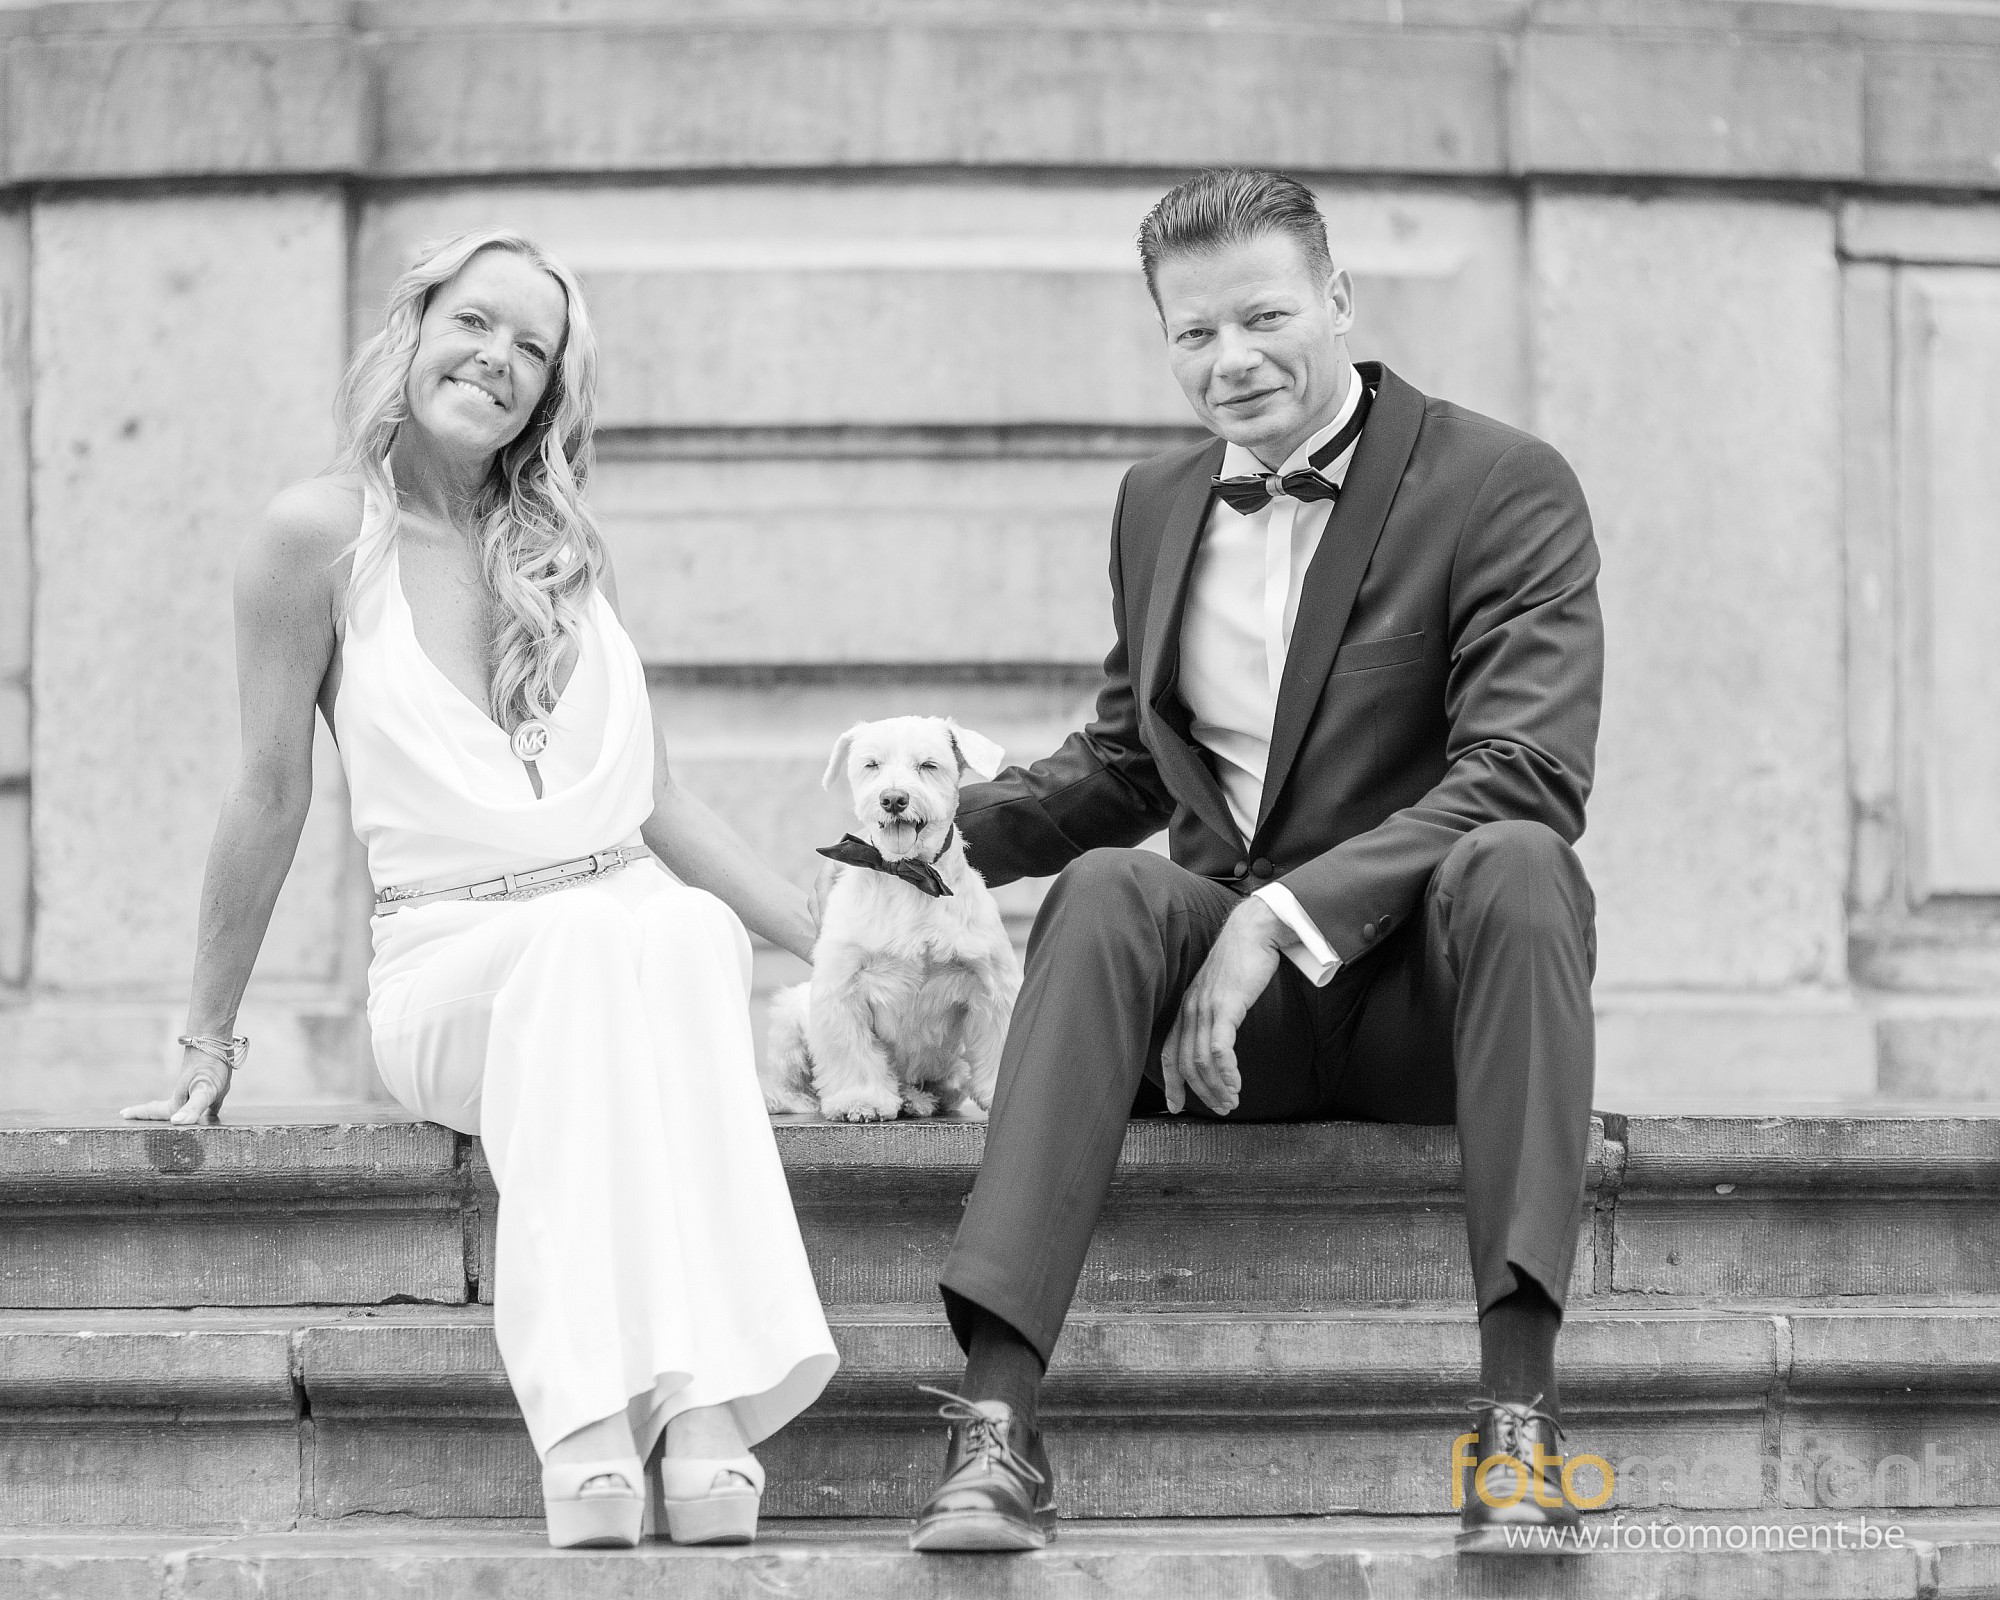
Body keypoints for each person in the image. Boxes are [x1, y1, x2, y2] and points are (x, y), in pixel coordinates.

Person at [909, 169, 1603, 1555]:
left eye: (1264, 316)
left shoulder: (1499, 481)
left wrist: (1277, 916)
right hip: (1230, 1041)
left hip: (1427, 1006)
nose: (1230, 359)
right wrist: (925, 844)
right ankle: (995, 1427)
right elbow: (1128, 761)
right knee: (1106, 888)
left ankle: (1519, 1424)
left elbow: (1525, 766)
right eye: (1194, 332)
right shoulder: (1155, 502)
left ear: (1339, 298)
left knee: (1524, 864)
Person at [121, 230, 838, 1551]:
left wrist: (832, 953)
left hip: (621, 939)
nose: (498, 358)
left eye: (533, 348)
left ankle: (705, 1414)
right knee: (584, 940)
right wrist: (207, 1033)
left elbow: (657, 799)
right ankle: (587, 1420)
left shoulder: (563, 548)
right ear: (415, 325)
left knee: (683, 926)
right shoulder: (313, 538)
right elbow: (269, 792)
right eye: (475, 322)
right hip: (454, 970)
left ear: (551, 390)